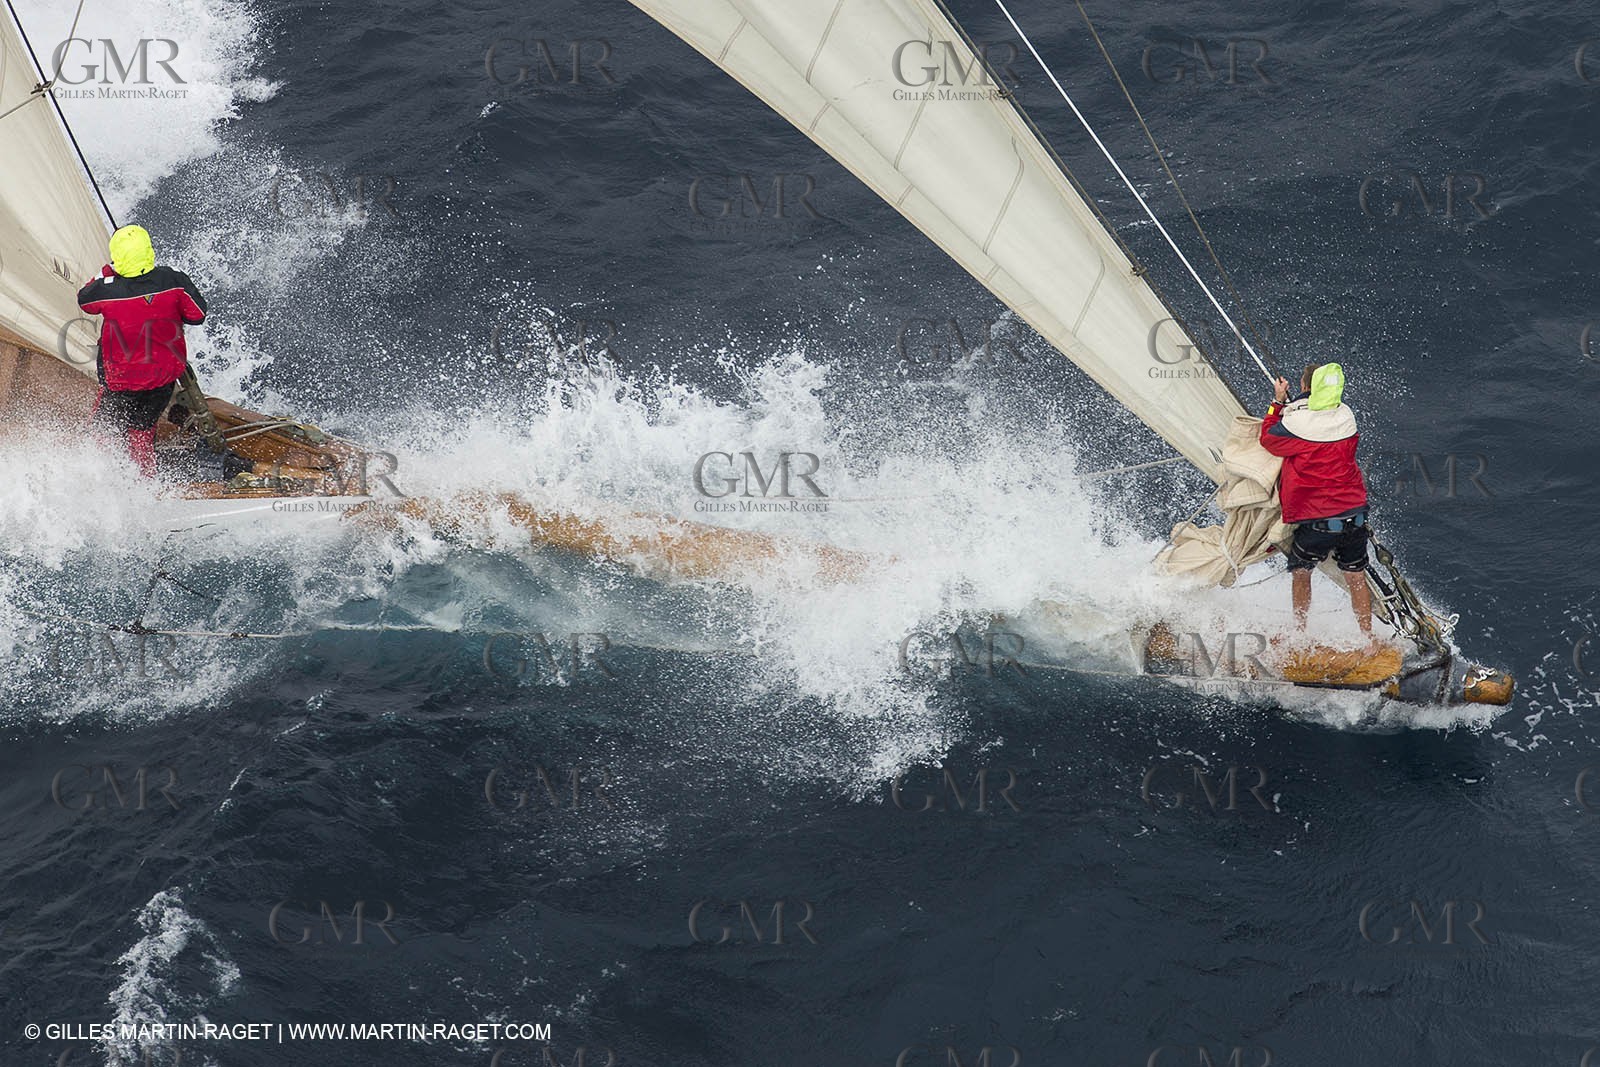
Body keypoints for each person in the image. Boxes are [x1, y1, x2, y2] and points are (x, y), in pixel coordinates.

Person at [1259, 362, 1379, 647]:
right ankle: (1368, 639)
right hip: (1355, 517)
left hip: (1320, 522)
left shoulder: (1299, 425)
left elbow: (1269, 439)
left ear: (1304, 387)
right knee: (1356, 576)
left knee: (1301, 571)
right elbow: (1320, 415)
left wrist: (1278, 403)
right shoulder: (1347, 418)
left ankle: (1299, 634)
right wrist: (1301, 403)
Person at [76, 224, 207, 478]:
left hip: (122, 381)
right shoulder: (173, 280)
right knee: (142, 429)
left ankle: (98, 475)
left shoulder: (107, 288)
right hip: (163, 379)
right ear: (149, 251)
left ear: (118, 258)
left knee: (104, 430)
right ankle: (145, 480)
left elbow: (84, 300)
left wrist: (107, 270)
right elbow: (197, 315)